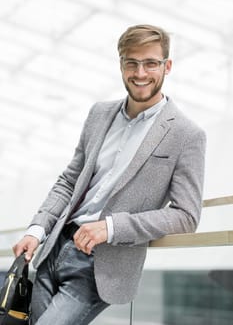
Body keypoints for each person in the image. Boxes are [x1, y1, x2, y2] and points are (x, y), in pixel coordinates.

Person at [13, 24, 206, 325]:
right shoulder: (99, 114)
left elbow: (186, 215)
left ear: (167, 66)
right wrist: (36, 230)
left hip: (101, 267)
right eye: (132, 62)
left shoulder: (186, 134)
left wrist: (112, 227)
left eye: (151, 63)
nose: (140, 73)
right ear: (121, 65)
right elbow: (69, 181)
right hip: (53, 249)